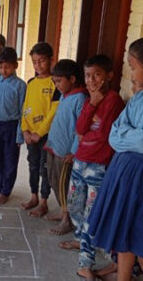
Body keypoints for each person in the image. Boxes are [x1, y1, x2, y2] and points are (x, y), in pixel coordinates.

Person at [60, 54, 125, 280]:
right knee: (75, 206)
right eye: (87, 75)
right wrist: (92, 105)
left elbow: (104, 135)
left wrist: (86, 134)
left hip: (98, 166)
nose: (91, 80)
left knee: (91, 213)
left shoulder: (114, 100)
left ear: (109, 75)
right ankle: (81, 241)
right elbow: (80, 128)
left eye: (96, 75)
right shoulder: (91, 99)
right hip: (81, 160)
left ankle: (85, 264)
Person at [87, 38, 143, 281]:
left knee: (140, 236)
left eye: (133, 67)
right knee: (125, 233)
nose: (130, 75)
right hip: (125, 174)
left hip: (139, 179)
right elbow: (115, 133)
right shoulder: (139, 98)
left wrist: (126, 135)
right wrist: (129, 135)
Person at [45, 59, 87, 235]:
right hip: (55, 147)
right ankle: (63, 211)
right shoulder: (64, 95)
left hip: (66, 153)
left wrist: (74, 151)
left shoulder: (80, 98)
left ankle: (67, 219)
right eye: (55, 81)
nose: (57, 85)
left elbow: (80, 128)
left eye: (59, 81)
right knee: (53, 179)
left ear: (72, 79)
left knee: (64, 185)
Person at [21, 42, 60, 217]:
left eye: (42, 61)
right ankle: (34, 196)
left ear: (51, 60)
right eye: (34, 62)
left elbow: (54, 111)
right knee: (33, 165)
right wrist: (25, 130)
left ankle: (44, 201)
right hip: (31, 136)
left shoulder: (55, 83)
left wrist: (40, 133)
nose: (38, 65)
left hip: (46, 136)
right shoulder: (31, 83)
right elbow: (26, 108)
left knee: (45, 168)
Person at [0, 47, 26, 205]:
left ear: (15, 66)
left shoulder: (20, 85)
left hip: (12, 126)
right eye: (0, 67)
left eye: (7, 67)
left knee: (10, 160)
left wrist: (20, 134)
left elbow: (22, 111)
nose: (3, 70)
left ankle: (6, 191)